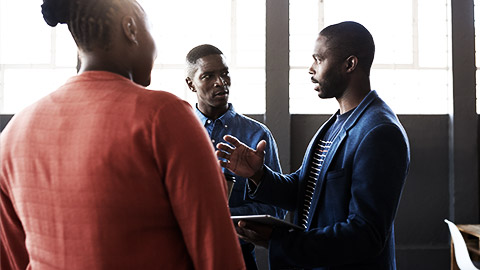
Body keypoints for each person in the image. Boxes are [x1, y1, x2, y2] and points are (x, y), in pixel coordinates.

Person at [0, 1, 246, 269]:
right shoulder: (165, 116)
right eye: (150, 30)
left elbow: (12, 258)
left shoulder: (15, 131)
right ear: (130, 28)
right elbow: (218, 255)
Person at [216, 21, 411, 270]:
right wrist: (259, 174)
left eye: (318, 60)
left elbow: (366, 235)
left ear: (349, 64)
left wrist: (280, 240)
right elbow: (305, 189)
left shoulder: (380, 131)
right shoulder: (335, 123)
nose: (311, 69)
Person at [185, 44, 286, 270]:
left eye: (224, 73)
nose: (220, 82)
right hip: (183, 257)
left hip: (237, 258)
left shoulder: (257, 135)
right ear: (191, 84)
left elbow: (276, 208)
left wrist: (217, 218)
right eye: (208, 76)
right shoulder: (175, 131)